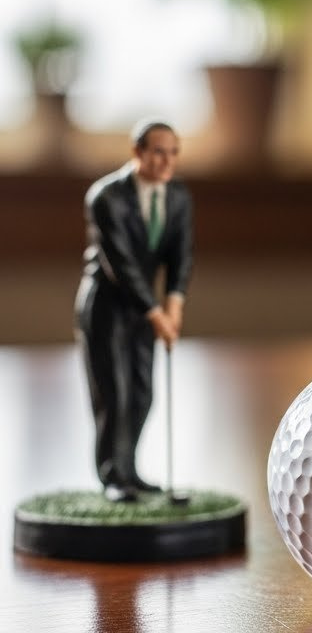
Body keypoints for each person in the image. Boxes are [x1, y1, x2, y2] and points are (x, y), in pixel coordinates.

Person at [75, 120, 194, 501]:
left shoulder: (177, 197)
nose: (166, 160)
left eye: (173, 152)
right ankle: (113, 476)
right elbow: (121, 264)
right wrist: (157, 313)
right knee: (115, 395)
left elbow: (181, 256)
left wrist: (174, 303)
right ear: (137, 152)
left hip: (147, 311)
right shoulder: (106, 196)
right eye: (158, 151)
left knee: (143, 395)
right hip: (107, 307)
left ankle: (130, 470)